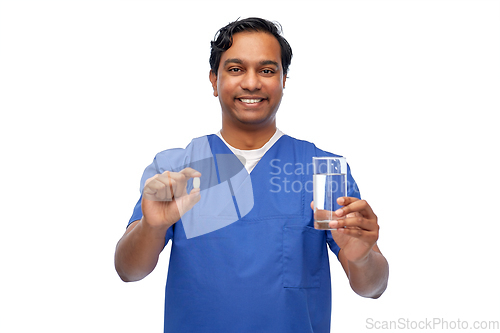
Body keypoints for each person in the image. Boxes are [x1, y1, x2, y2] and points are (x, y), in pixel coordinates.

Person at [115, 17, 389, 333]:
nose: (251, 82)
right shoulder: (179, 170)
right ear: (213, 80)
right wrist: (152, 226)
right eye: (235, 69)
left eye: (267, 70)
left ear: (284, 79)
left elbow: (373, 287)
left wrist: (362, 258)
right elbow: (128, 270)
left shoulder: (322, 170)